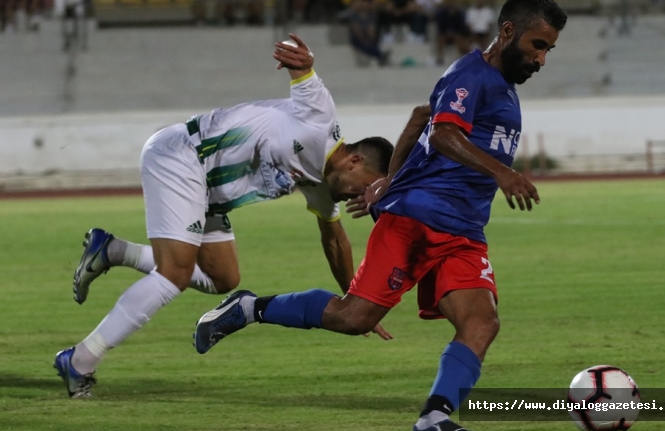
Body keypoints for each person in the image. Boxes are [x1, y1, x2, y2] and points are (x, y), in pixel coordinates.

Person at [193, 0, 567, 430]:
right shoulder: (471, 74)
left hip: (464, 231)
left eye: (547, 51)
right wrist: (502, 172)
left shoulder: (502, 89)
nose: (540, 59)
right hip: (416, 220)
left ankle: (435, 417)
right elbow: (443, 132)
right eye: (537, 45)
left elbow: (420, 118)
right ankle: (250, 308)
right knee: (354, 318)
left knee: (482, 322)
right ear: (506, 32)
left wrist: (390, 178)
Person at [53, 33, 395, 399]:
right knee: (175, 274)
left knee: (222, 277)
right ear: (355, 160)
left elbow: (334, 240)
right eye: (366, 185)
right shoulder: (320, 120)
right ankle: (80, 360)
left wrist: (353, 300)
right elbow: (306, 80)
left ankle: (114, 251)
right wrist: (305, 63)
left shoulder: (321, 186)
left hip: (207, 193)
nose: (363, 195)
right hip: (183, 156)